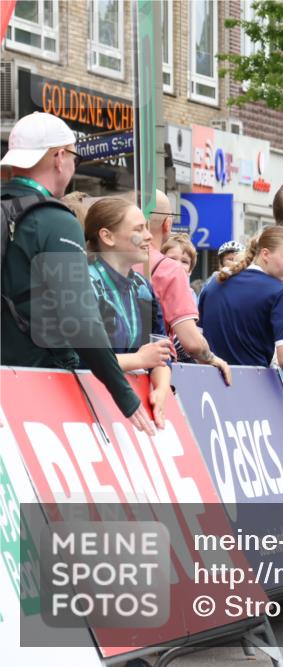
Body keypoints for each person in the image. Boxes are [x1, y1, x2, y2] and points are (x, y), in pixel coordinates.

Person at [0, 112, 153, 434]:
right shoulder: (54, 220)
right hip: (37, 389)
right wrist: (124, 395)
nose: (72, 166)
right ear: (58, 158)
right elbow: (80, 320)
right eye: (73, 156)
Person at [198, 226, 283, 426]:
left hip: (208, 393)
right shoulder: (277, 292)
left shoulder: (214, 283)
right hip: (252, 396)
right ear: (265, 254)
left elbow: (196, 343)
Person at [84, 198, 173, 427]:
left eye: (147, 227)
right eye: (138, 229)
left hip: (131, 412)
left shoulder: (143, 287)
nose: (149, 236)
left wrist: (161, 390)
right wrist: (139, 359)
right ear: (107, 237)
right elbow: (78, 360)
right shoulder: (84, 283)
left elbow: (160, 351)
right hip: (86, 409)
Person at [140, 190, 231, 384]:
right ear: (167, 224)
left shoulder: (112, 260)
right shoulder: (169, 270)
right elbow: (192, 342)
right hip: (155, 375)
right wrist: (213, 359)